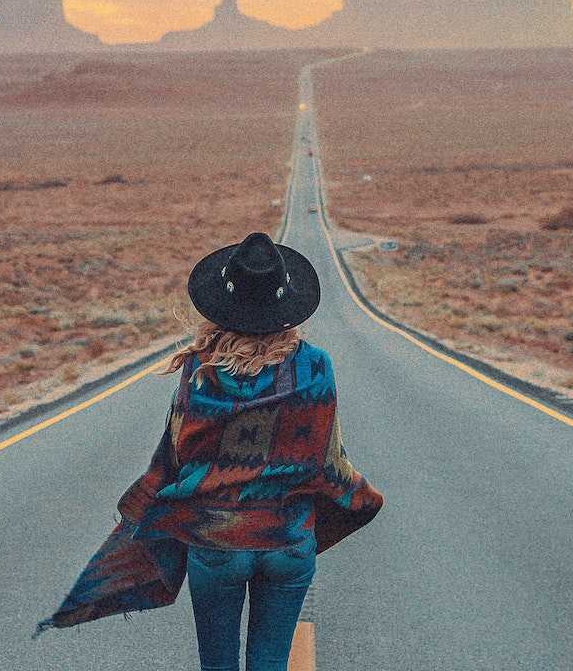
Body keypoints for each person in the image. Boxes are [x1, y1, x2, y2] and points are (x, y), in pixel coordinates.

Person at [34, 231, 384, 671]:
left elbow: (175, 457)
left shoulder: (200, 372)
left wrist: (146, 510)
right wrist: (357, 498)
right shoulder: (315, 366)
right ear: (286, 307)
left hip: (217, 546)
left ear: (224, 306)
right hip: (288, 542)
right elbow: (327, 459)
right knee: (270, 665)